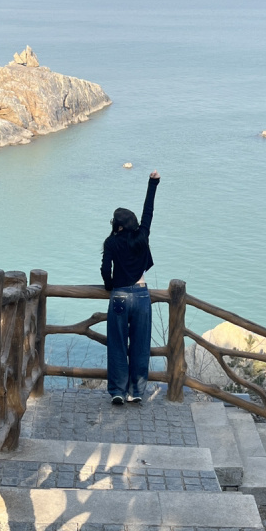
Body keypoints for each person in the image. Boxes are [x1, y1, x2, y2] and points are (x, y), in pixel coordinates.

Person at [101, 170, 160, 405]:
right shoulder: (142, 236)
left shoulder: (111, 242)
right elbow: (149, 211)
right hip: (142, 295)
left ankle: (117, 390)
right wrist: (153, 183)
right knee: (140, 345)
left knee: (117, 343)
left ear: (118, 226)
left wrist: (109, 287)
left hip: (119, 297)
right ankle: (136, 391)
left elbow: (106, 270)